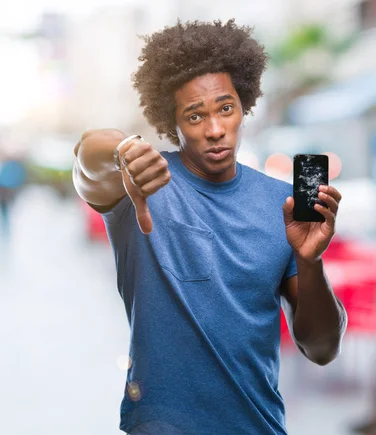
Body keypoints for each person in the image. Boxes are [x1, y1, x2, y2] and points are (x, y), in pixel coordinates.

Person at [72, 20, 348, 434]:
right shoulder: (142, 182)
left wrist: (310, 262)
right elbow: (87, 162)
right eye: (195, 115)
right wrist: (121, 151)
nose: (215, 129)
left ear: (244, 105)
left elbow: (322, 349)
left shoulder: (283, 202)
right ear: (173, 121)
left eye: (225, 108)